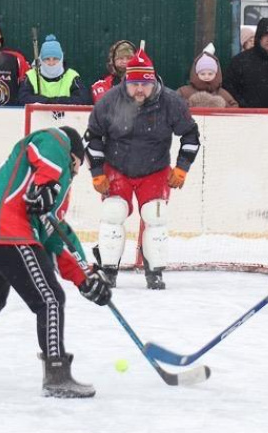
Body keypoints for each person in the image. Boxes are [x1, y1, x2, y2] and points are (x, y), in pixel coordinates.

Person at [0, 126, 111, 399]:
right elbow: (47, 144)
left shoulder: (34, 182)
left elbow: (56, 236)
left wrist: (86, 276)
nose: (75, 174)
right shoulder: (56, 141)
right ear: (73, 156)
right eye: (76, 166)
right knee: (50, 299)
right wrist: (48, 183)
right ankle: (57, 374)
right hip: (7, 229)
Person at [86, 48, 201, 290]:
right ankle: (109, 270)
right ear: (126, 81)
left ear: (153, 82)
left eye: (145, 84)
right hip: (116, 167)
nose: (140, 90)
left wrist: (182, 168)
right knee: (113, 213)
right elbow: (93, 137)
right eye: (134, 84)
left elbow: (191, 135)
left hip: (155, 170)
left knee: (155, 216)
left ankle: (155, 272)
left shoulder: (171, 102)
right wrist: (97, 173)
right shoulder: (109, 101)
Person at [223, 17, 268, 108]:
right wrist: (244, 105)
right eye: (266, 35)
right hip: (245, 116)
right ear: (259, 37)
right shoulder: (240, 61)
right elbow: (229, 87)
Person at [18, 34, 90, 105]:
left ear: (61, 59)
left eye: (55, 59)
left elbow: (83, 99)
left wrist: (55, 102)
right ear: (41, 60)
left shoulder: (72, 76)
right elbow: (23, 98)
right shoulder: (31, 76)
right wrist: (47, 101)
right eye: (47, 59)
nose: (51, 63)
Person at [176, 43, 238, 108]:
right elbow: (173, 104)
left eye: (210, 74)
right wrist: (187, 104)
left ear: (216, 74)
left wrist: (223, 104)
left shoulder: (222, 93)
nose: (206, 76)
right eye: (202, 74)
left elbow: (235, 107)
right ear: (196, 74)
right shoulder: (184, 92)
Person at [92, 40, 134, 104]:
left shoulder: (143, 82)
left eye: (129, 58)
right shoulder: (101, 83)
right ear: (112, 60)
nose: (125, 62)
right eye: (120, 58)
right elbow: (104, 105)